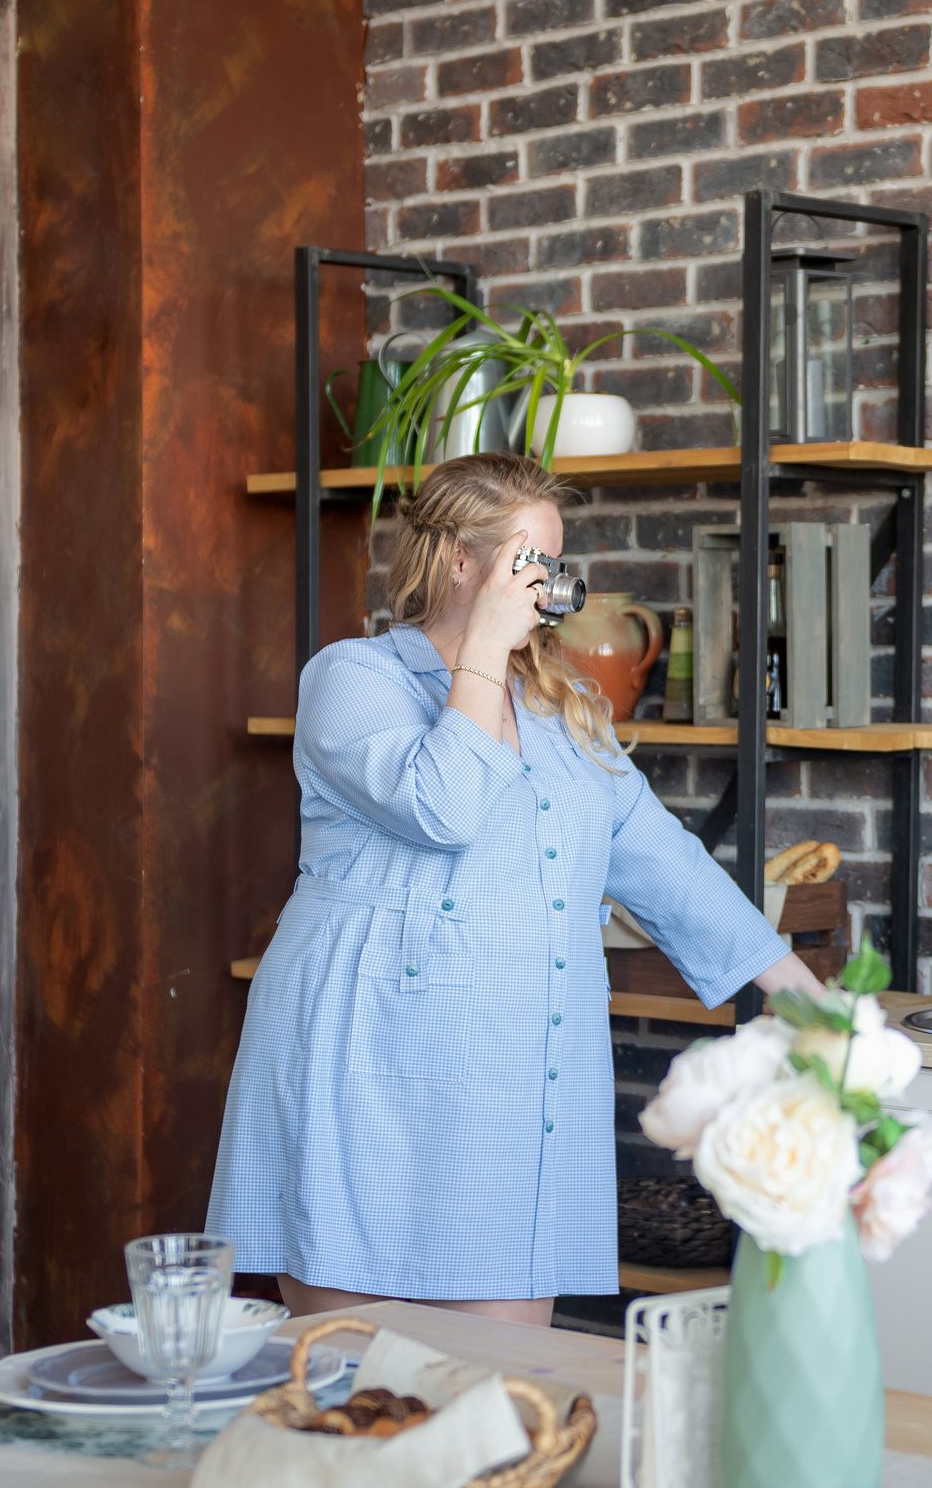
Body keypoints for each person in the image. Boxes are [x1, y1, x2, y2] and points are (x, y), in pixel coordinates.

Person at [205, 452, 829, 1326]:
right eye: (529, 564)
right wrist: (487, 650)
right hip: (369, 1063)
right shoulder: (351, 680)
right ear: (463, 561)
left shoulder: (563, 699)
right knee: (354, 1385)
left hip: (515, 1071)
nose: (550, 587)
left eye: (554, 564)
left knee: (504, 1392)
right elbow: (446, 805)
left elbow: (656, 854)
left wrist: (797, 990)